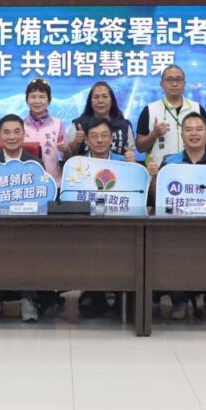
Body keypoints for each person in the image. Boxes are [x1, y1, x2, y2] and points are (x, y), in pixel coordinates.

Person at [149, 113, 206, 321]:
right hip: (177, 227)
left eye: (199, 129)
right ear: (182, 135)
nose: (194, 134)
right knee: (174, 250)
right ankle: (179, 299)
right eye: (188, 129)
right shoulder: (170, 163)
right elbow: (156, 198)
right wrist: (154, 178)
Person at [0, 114, 44, 324]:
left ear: (24, 135)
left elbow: (44, 197)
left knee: (32, 245)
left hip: (27, 226)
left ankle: (29, 299)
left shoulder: (35, 163)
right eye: (6, 132)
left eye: (17, 132)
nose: (12, 137)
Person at [76, 116, 135, 319]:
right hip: (87, 227)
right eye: (94, 136)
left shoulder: (125, 163)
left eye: (104, 135)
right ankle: (94, 294)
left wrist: (136, 169)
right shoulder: (77, 165)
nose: (99, 140)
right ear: (87, 140)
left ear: (112, 139)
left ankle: (121, 294)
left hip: (120, 225)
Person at [135, 64, 206, 165]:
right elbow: (139, 148)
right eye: (169, 80)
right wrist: (154, 134)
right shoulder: (149, 110)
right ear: (161, 84)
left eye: (178, 79)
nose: (174, 84)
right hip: (159, 171)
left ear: (184, 83)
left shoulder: (197, 108)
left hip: (193, 170)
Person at [67, 81, 134, 159]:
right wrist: (76, 141)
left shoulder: (125, 126)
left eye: (104, 96)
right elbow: (67, 156)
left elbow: (130, 154)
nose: (100, 101)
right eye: (96, 97)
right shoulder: (78, 125)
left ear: (112, 101)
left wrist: (130, 158)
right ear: (90, 102)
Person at [22, 78, 66, 184]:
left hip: (54, 183)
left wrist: (65, 150)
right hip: (26, 183)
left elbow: (66, 156)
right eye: (33, 97)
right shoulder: (20, 125)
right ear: (27, 100)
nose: (37, 101)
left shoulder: (58, 123)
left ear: (49, 100)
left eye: (42, 97)